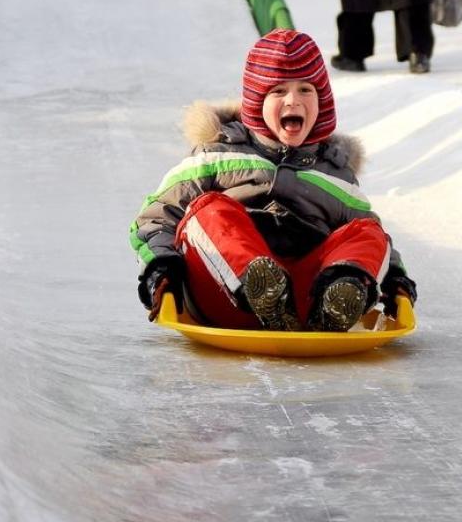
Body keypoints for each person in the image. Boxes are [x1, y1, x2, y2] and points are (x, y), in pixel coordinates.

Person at [130, 29, 417, 332]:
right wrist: (162, 267)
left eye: (306, 90)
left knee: (367, 230)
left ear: (322, 103)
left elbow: (372, 245)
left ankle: (337, 295)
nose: (293, 100)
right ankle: (259, 286)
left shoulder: (335, 174)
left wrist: (395, 280)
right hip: (221, 295)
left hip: (304, 302)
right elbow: (155, 218)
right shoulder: (217, 156)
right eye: (278, 91)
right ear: (255, 103)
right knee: (209, 209)